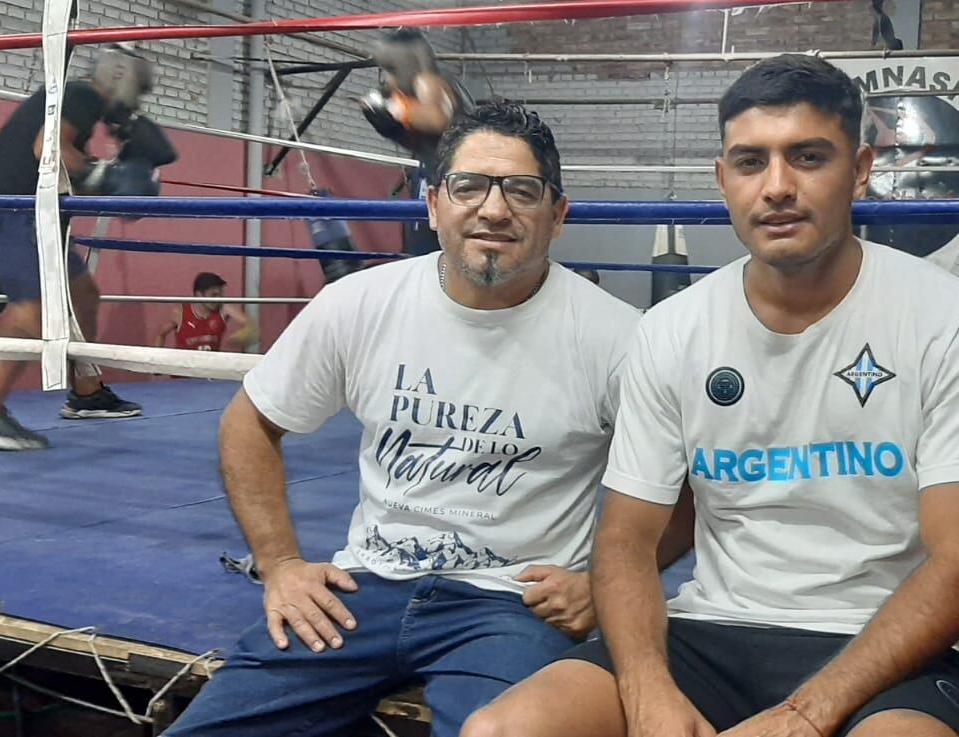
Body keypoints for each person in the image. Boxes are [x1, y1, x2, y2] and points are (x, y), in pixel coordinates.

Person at [467, 54, 959, 737]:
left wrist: (803, 715)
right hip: (713, 632)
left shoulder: (957, 323)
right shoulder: (674, 330)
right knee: (501, 729)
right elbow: (625, 543)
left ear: (861, 169)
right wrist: (646, 696)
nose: (778, 186)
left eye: (809, 157)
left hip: (889, 645)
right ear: (723, 179)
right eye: (751, 161)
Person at [163, 103, 687, 737]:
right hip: (362, 588)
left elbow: (686, 479)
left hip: (513, 603)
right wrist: (280, 565)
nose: (494, 210)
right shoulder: (359, 304)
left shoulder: (618, 339)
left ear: (559, 215)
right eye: (469, 186)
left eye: (522, 190)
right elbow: (250, 423)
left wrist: (600, 584)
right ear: (434, 204)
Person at [0, 44, 173, 450]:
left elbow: (61, 167)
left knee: (84, 294)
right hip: (15, 212)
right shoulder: (83, 95)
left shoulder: (74, 104)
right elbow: (47, 151)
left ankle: (86, 392)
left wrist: (107, 177)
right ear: (120, 76)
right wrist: (109, 175)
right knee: (33, 312)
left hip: (39, 218)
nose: (139, 99)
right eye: (140, 87)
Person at [362, 28, 473, 258]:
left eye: (391, 69)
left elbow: (437, 119)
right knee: (424, 252)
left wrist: (394, 110)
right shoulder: (417, 91)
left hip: (453, 181)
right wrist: (389, 125)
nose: (389, 78)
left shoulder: (429, 81)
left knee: (439, 251)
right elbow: (427, 140)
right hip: (433, 176)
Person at [154, 272, 256, 351]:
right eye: (213, 295)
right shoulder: (180, 313)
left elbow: (250, 325)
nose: (218, 299)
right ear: (199, 295)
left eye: (220, 295)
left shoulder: (223, 309)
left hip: (208, 373)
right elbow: (160, 334)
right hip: (183, 375)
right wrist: (155, 361)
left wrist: (241, 336)